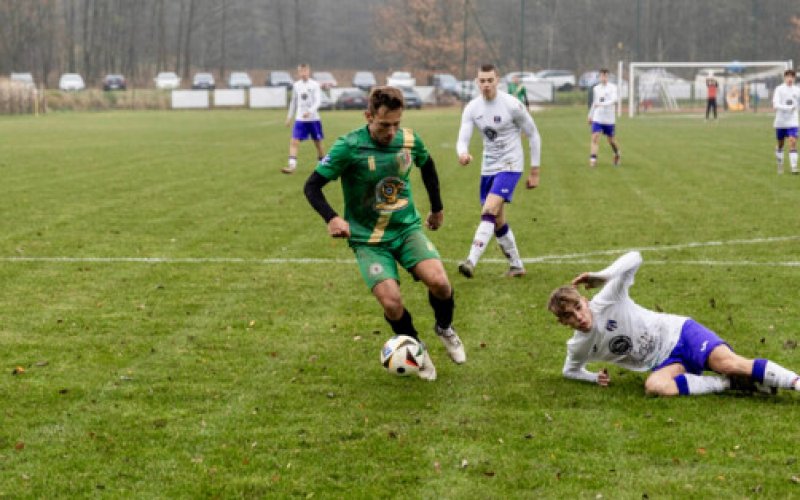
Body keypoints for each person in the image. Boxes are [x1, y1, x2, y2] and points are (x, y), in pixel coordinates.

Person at [303, 86, 466, 381]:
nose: (391, 132)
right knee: (391, 303)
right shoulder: (348, 146)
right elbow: (311, 186)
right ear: (368, 116)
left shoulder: (409, 140)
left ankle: (445, 328)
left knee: (440, 282)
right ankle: (416, 347)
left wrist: (437, 208)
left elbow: (427, 165)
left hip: (405, 230)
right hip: (368, 239)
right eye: (383, 125)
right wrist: (332, 218)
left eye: (396, 124)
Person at [547, 251, 800, 397]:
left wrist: (602, 276)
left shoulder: (606, 299)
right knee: (655, 387)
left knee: (729, 363)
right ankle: (730, 383)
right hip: (666, 363)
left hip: (680, 333)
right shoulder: (578, 346)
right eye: (569, 316)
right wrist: (593, 378)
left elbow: (635, 257)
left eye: (578, 307)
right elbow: (569, 370)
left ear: (584, 300)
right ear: (562, 322)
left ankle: (795, 382)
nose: (578, 317)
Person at [456, 64, 542, 279]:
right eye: (482, 81)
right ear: (477, 82)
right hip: (488, 167)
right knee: (498, 221)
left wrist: (534, 171)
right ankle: (516, 266)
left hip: (511, 165)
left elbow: (533, 134)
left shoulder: (512, 105)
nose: (486, 85)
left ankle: (470, 261)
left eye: (490, 80)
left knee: (489, 210)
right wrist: (463, 153)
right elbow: (463, 137)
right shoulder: (472, 108)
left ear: (497, 81)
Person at [282, 63, 325, 174]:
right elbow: (293, 102)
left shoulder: (315, 85)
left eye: (305, 71)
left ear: (308, 71)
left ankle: (322, 163)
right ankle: (292, 166)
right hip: (300, 119)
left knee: (318, 143)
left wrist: (310, 111)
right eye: (301, 71)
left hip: (314, 119)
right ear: (298, 72)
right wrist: (289, 117)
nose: (303, 73)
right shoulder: (296, 85)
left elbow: (318, 101)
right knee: (294, 141)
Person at [588, 68, 620, 167]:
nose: (604, 78)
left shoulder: (613, 88)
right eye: (602, 76)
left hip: (609, 118)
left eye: (605, 76)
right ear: (600, 77)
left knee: (611, 140)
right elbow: (595, 102)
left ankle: (617, 153)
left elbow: (614, 100)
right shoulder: (596, 88)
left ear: (608, 77)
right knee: (595, 137)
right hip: (598, 117)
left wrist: (602, 104)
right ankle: (593, 159)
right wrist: (590, 115)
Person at [772, 68, 800, 175]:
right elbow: (776, 105)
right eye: (788, 76)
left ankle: (794, 167)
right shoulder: (779, 89)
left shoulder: (797, 90)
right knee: (780, 144)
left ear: (794, 78)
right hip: (781, 121)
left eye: (792, 77)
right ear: (784, 78)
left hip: (793, 121)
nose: (790, 79)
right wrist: (788, 108)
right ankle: (780, 164)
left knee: (793, 141)